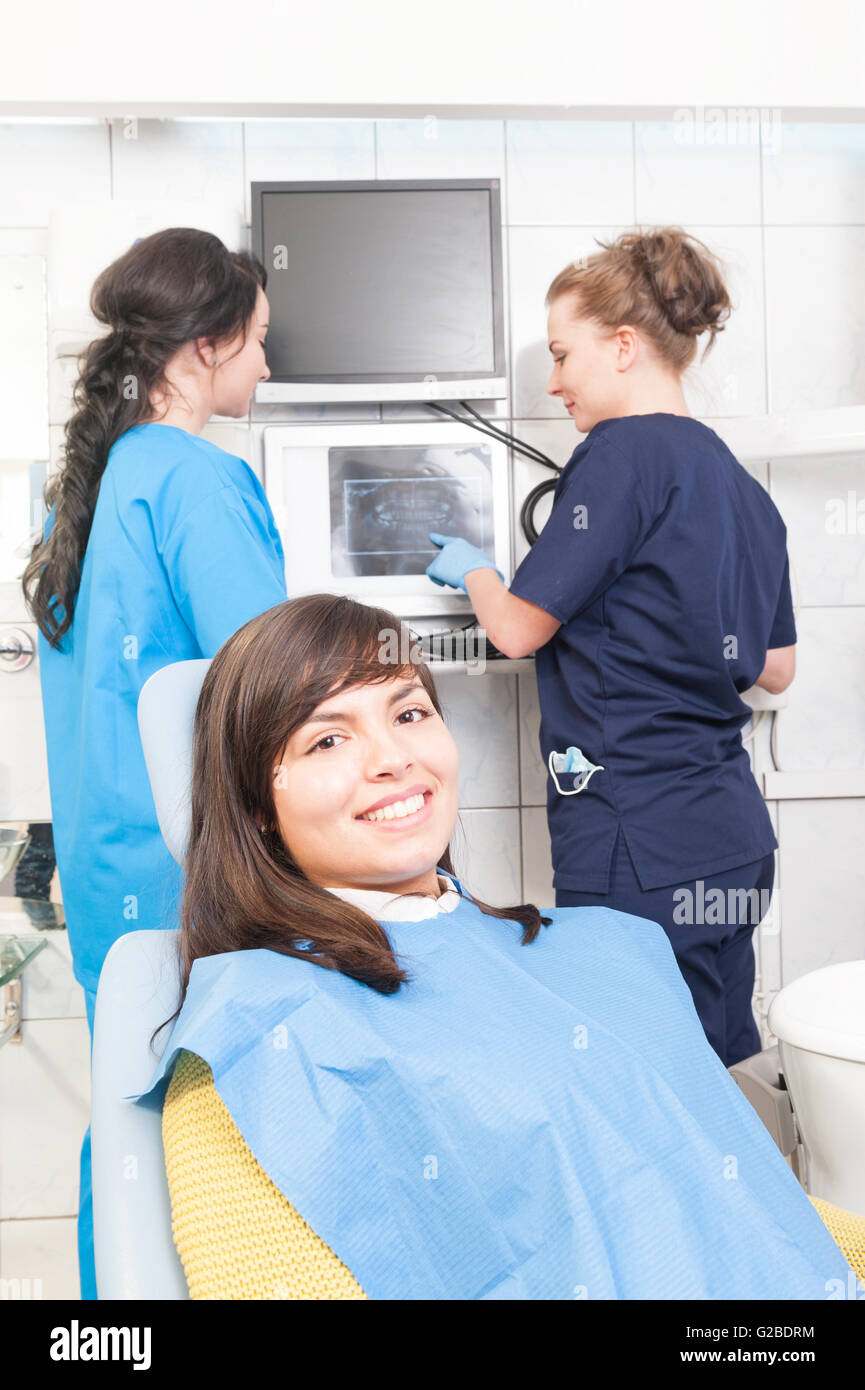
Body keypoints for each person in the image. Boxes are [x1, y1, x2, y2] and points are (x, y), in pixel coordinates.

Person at [134, 594, 851, 1300]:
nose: (393, 758)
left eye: (409, 713)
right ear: (258, 804)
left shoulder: (610, 947)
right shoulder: (258, 1028)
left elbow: (722, 1195)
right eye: (327, 739)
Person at [426, 227, 795, 1072]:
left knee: (634, 1080)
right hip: (730, 838)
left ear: (623, 345)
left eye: (562, 356)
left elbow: (516, 628)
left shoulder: (619, 456)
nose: (553, 382)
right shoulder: (739, 484)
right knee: (720, 1069)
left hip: (639, 839)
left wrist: (478, 572)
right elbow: (774, 667)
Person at [21, 227, 288, 1299]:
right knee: (212, 1137)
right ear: (200, 351)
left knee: (128, 1130)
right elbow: (278, 687)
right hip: (198, 880)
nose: (268, 365)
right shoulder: (194, 478)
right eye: (259, 341)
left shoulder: (82, 491)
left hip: (107, 878)